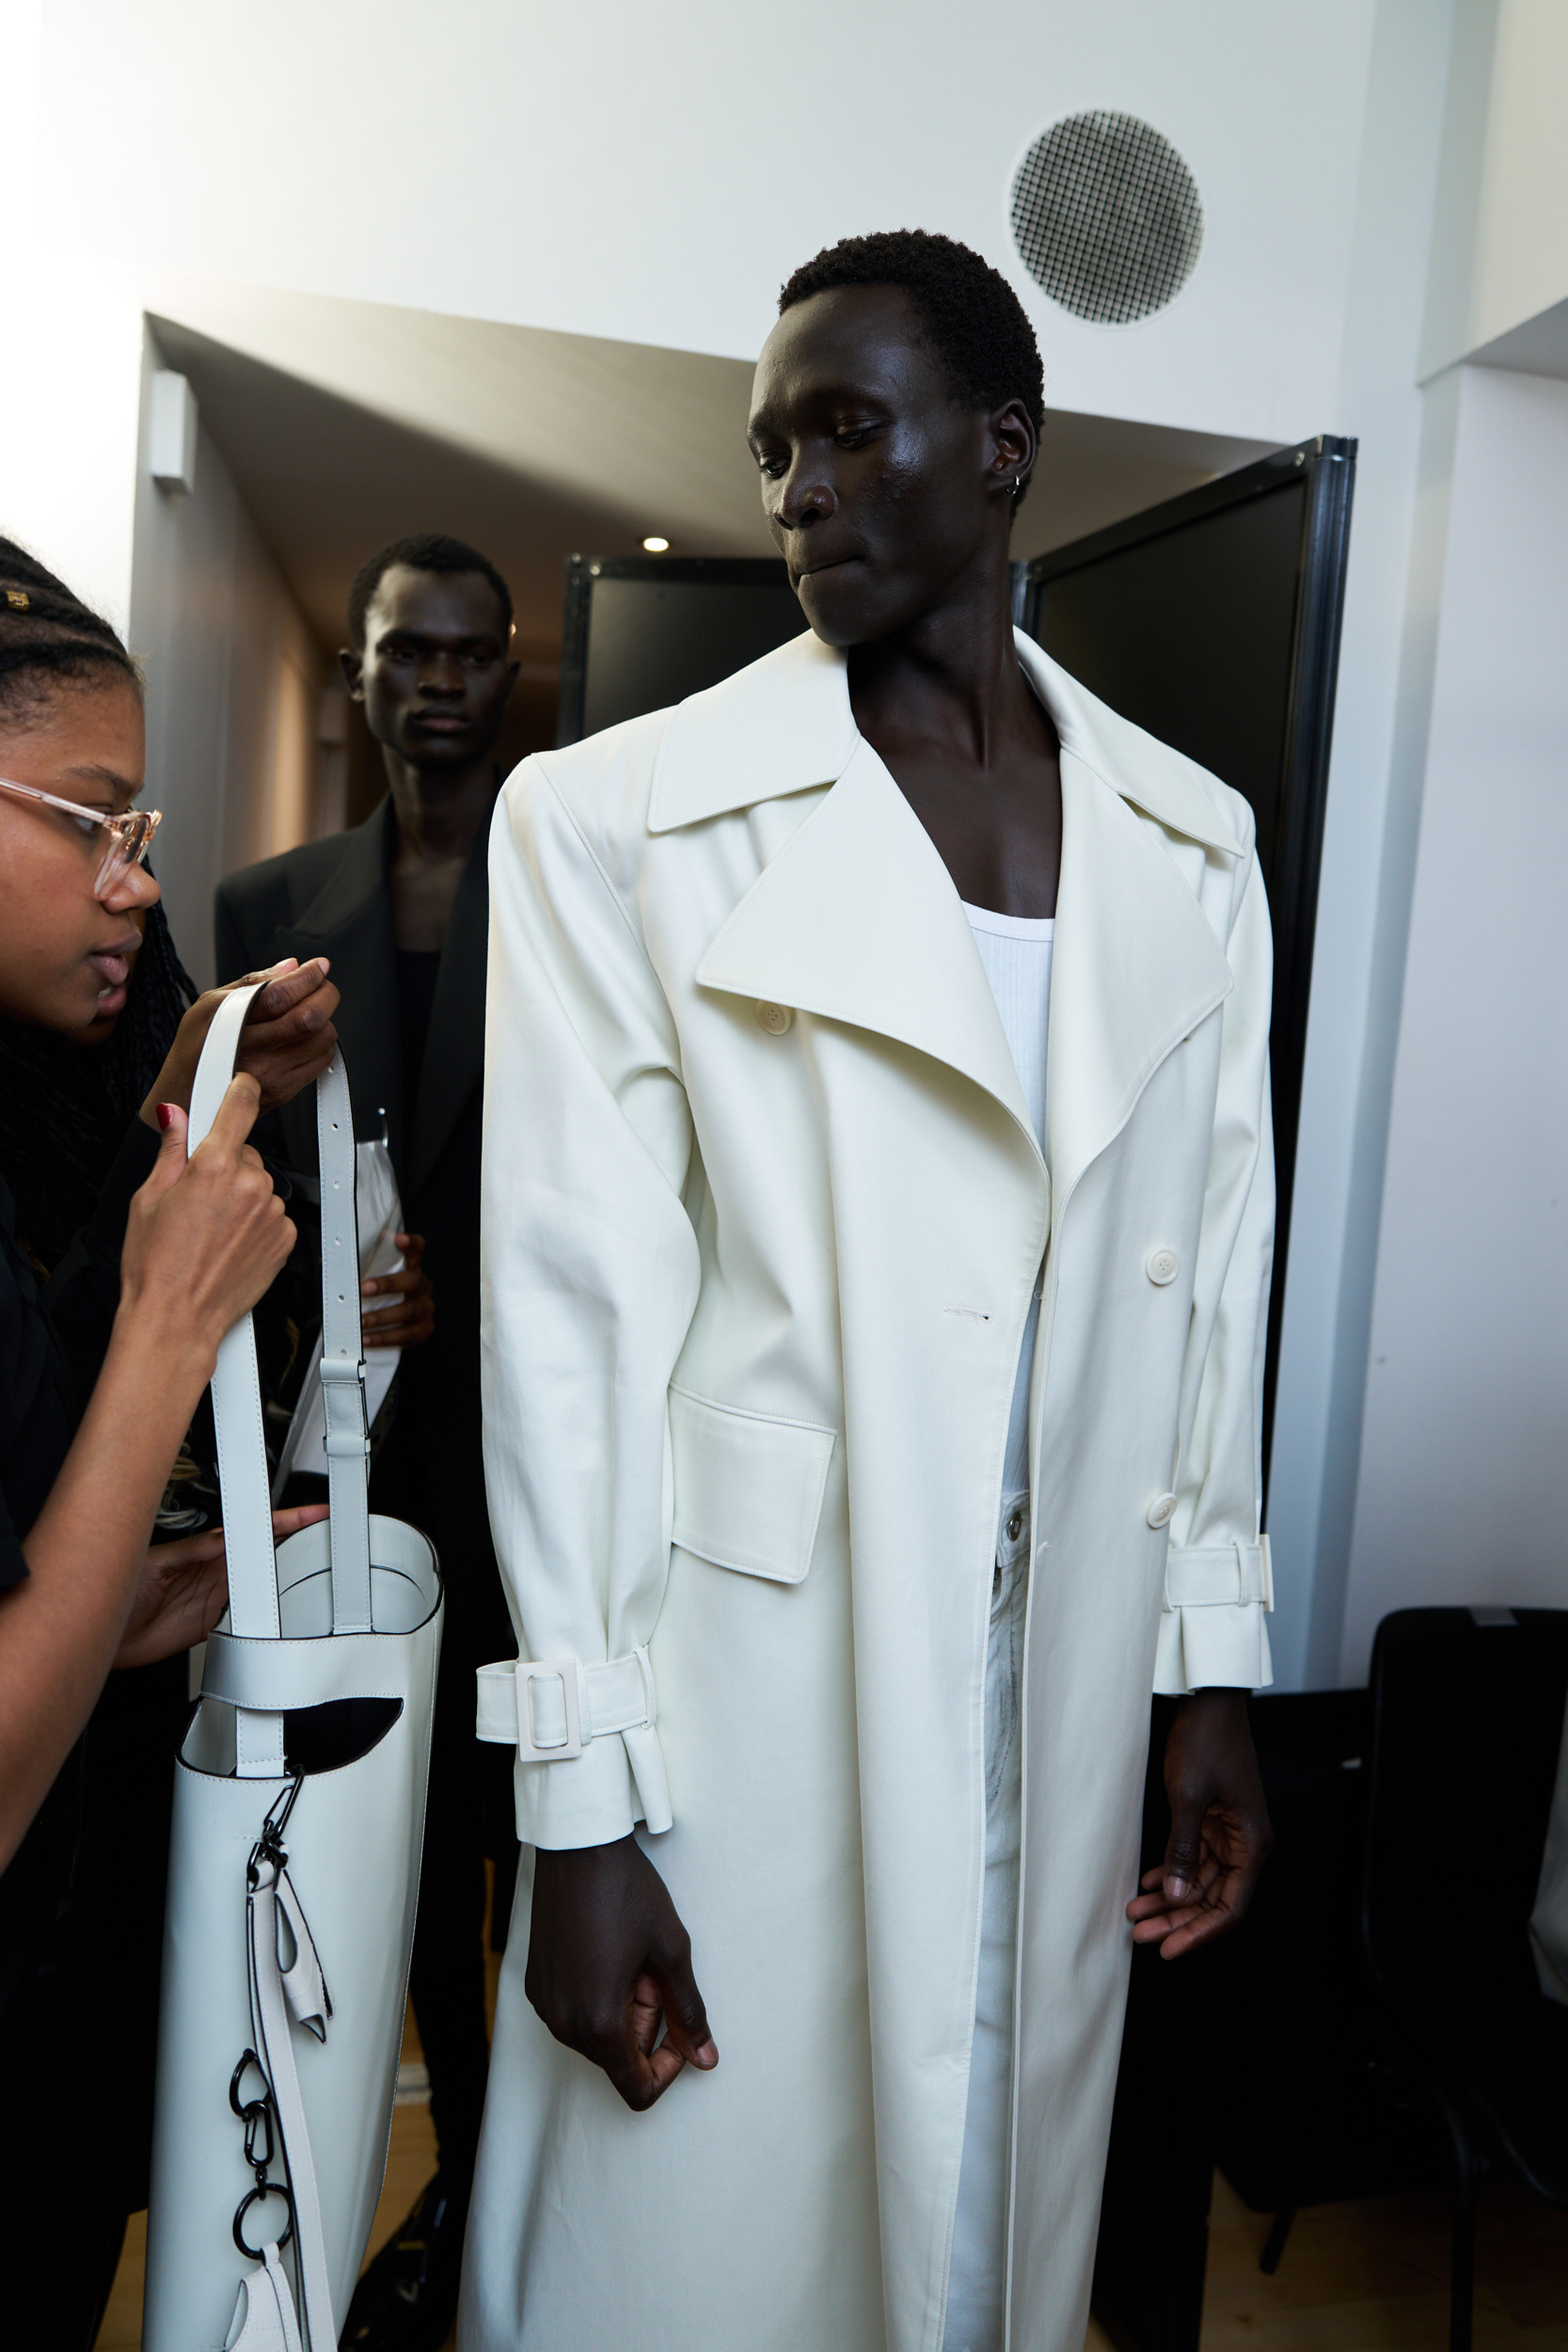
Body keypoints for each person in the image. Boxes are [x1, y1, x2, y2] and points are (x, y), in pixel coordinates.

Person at [465, 231, 1276, 2352]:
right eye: (772, 448)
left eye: (850, 427)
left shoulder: (1196, 846)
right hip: (752, 1698)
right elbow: (575, 1324)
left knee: (991, 2246)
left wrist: (1209, 1674)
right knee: (720, 2256)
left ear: (1005, 451)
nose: (798, 489)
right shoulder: (620, 822)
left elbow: (1217, 1287)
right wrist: (578, 1807)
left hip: (1067, 1680)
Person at [0, 538, 338, 2345]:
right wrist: (167, 1323)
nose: (138, 883)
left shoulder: (61, 1067)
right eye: (95, 821)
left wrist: (194, 1088)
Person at [216, 532, 522, 2350]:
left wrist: (463, 1300)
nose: (440, 680)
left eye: (474, 654)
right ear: (362, 673)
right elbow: (217, 1180)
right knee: (375, 1847)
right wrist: (314, 1306)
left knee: (508, 1833)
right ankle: (391, 2195)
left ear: (504, 679)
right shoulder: (268, 905)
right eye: (409, 648)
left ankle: (492, 2199)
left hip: (511, 1462)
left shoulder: (567, 887)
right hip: (335, 1466)